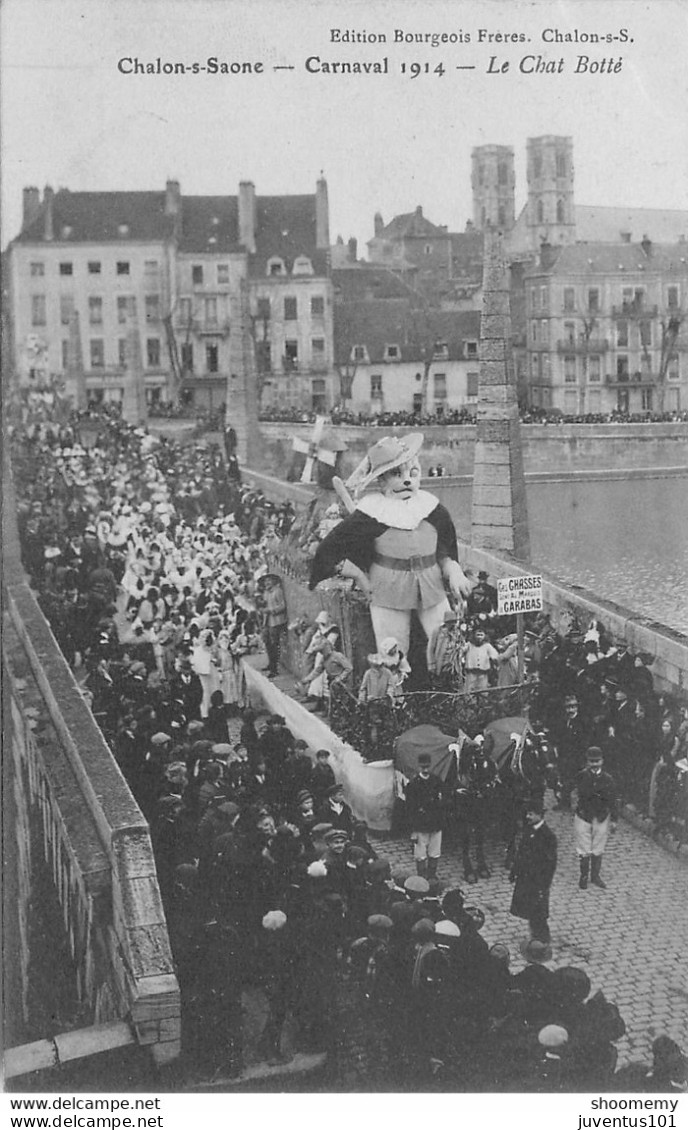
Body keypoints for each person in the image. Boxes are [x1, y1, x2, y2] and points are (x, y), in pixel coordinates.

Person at [310, 433, 471, 664]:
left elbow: (443, 551)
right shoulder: (370, 515)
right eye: (397, 474)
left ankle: (446, 689)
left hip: (431, 586)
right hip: (387, 590)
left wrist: (454, 572)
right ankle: (397, 695)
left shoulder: (433, 509)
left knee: (447, 644)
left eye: (412, 473)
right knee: (393, 650)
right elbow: (332, 548)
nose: (407, 480)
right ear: (382, 481)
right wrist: (361, 579)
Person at [509, 799, 558, 944]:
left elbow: (550, 865)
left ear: (539, 815)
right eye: (527, 814)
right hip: (525, 878)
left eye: (531, 814)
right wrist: (514, 872)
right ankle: (534, 934)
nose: (527, 817)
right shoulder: (528, 830)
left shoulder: (548, 836)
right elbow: (521, 853)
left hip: (538, 882)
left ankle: (542, 938)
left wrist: (544, 886)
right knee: (529, 909)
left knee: (538, 911)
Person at [574, 746, 618, 890]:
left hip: (601, 816)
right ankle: (584, 876)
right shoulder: (581, 776)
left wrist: (614, 820)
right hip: (584, 816)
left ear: (602, 761)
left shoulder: (608, 779)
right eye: (591, 761)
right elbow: (575, 793)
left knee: (598, 847)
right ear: (587, 762)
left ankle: (595, 876)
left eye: (597, 761)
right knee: (583, 847)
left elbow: (613, 800)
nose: (594, 764)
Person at [405, 752, 446, 881]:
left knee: (435, 851)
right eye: (423, 767)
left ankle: (432, 875)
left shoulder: (436, 781)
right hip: (420, 824)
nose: (426, 769)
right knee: (420, 853)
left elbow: (443, 801)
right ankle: (422, 876)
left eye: (428, 766)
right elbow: (410, 809)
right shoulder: (413, 785)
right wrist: (412, 829)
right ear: (419, 767)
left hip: (435, 823)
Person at [262, 575, 287, 679]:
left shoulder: (277, 591)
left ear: (273, 581)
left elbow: (282, 606)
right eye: (265, 581)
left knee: (274, 644)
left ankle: (274, 669)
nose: (267, 583)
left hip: (276, 621)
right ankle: (270, 664)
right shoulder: (266, 592)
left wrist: (271, 610)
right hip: (267, 621)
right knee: (267, 642)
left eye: (269, 580)